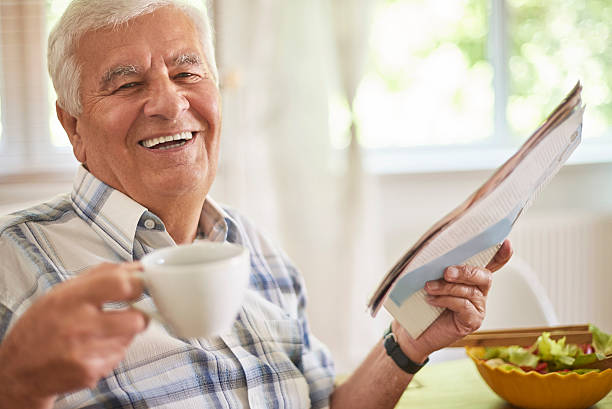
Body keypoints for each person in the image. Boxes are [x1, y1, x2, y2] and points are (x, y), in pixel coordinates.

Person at [0, 1, 513, 408]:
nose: (169, 103)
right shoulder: (11, 259)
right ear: (73, 127)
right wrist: (17, 390)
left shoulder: (254, 248)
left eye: (187, 74)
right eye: (128, 84)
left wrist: (406, 344)